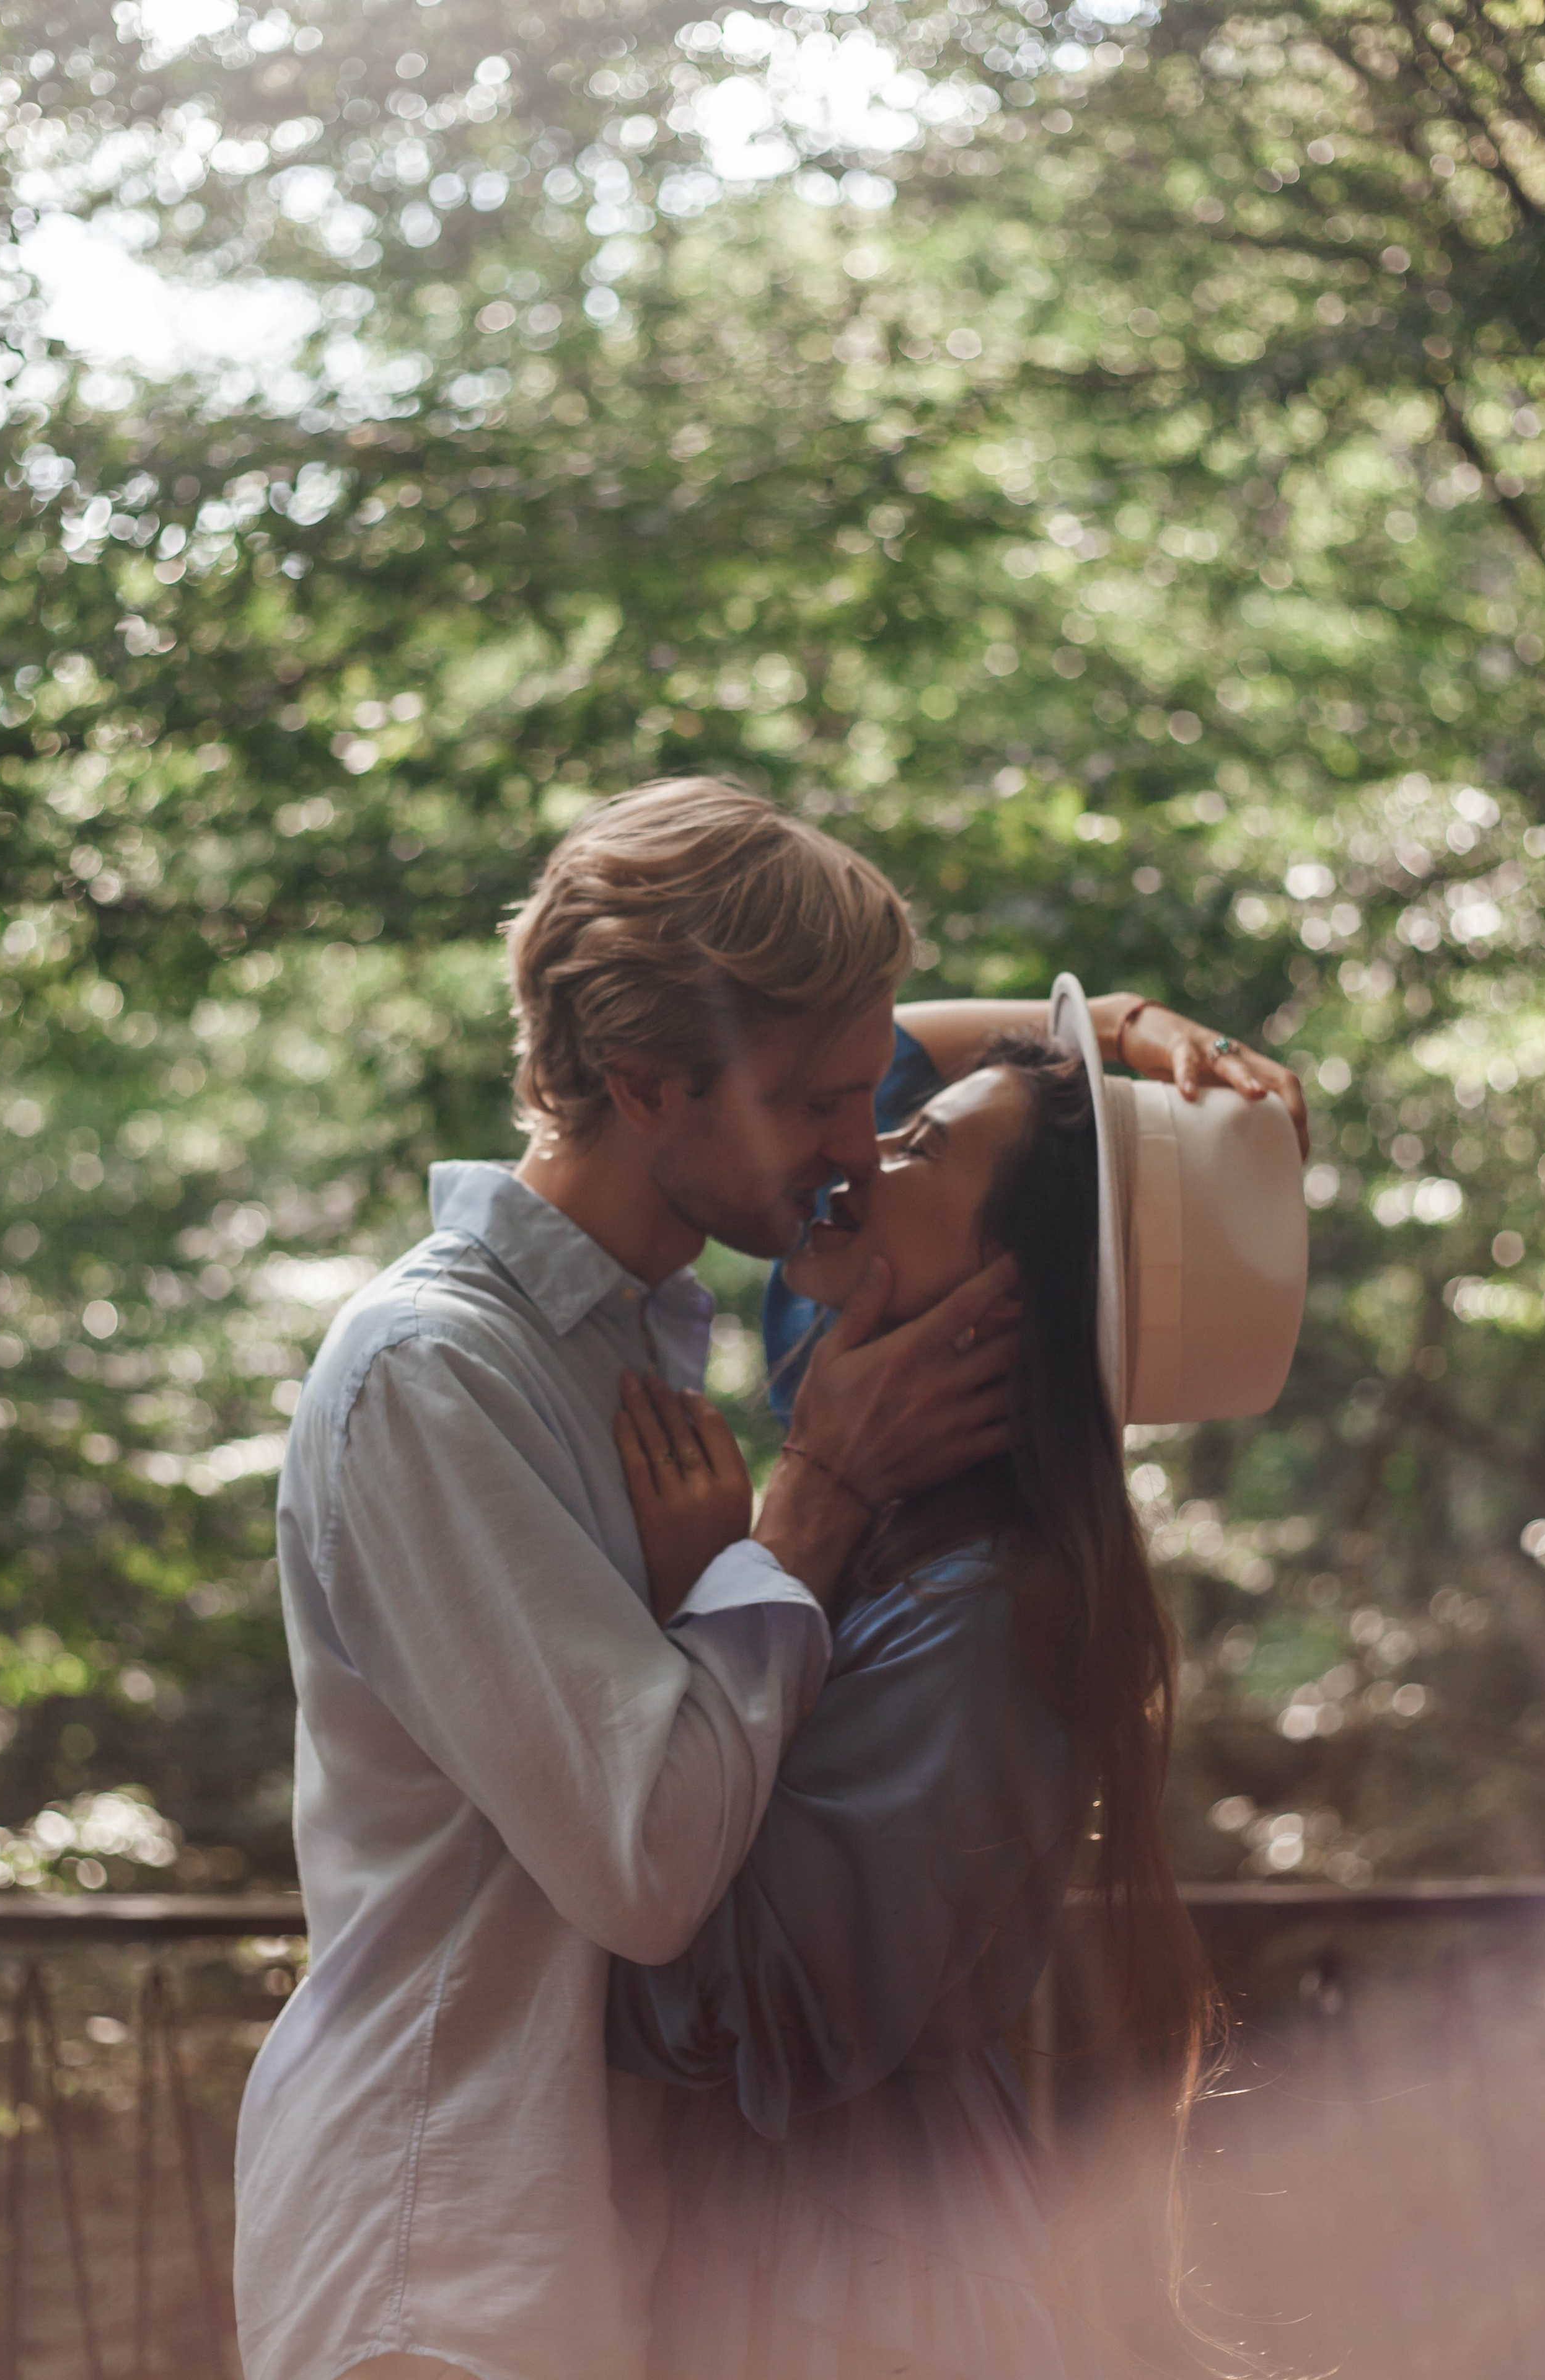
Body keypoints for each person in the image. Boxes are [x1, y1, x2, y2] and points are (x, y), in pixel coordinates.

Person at [233, 776, 1303, 2380]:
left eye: (873, 1097)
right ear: (647, 1085)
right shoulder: (435, 1374)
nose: (857, 1146)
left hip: (623, 2244)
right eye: (820, 1101)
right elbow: (655, 1874)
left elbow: (922, 1134)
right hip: (452, 2252)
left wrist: (1119, 1031)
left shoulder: (668, 1319)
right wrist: (796, 1523)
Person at [605, 975, 1308, 2380]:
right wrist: (1099, 1024)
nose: (859, 1150)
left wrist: (710, 1596)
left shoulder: (982, 1612)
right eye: (891, 1123)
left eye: (920, 1144)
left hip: (851, 2297)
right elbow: (785, 1093)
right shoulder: (863, 1385)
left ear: (1004, 1306)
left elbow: (743, 2012)